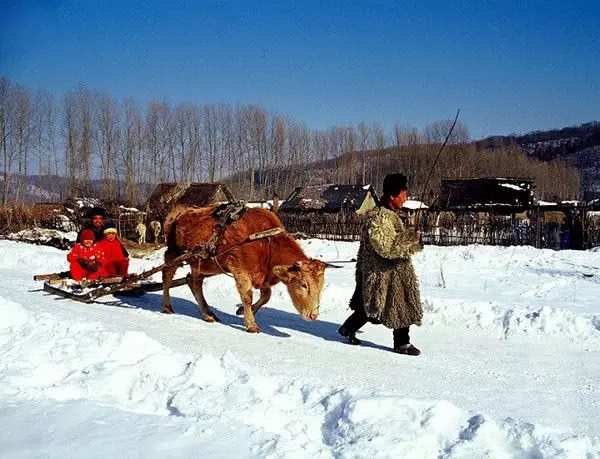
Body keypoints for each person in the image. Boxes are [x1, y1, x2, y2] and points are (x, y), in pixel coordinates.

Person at [338, 173, 424, 356]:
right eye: (403, 194)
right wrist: (410, 238)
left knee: (400, 305)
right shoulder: (379, 218)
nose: (406, 198)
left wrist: (413, 238)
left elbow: (396, 242)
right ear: (393, 196)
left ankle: (402, 343)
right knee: (370, 308)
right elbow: (387, 247)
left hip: (394, 271)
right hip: (379, 273)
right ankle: (348, 328)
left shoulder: (392, 215)